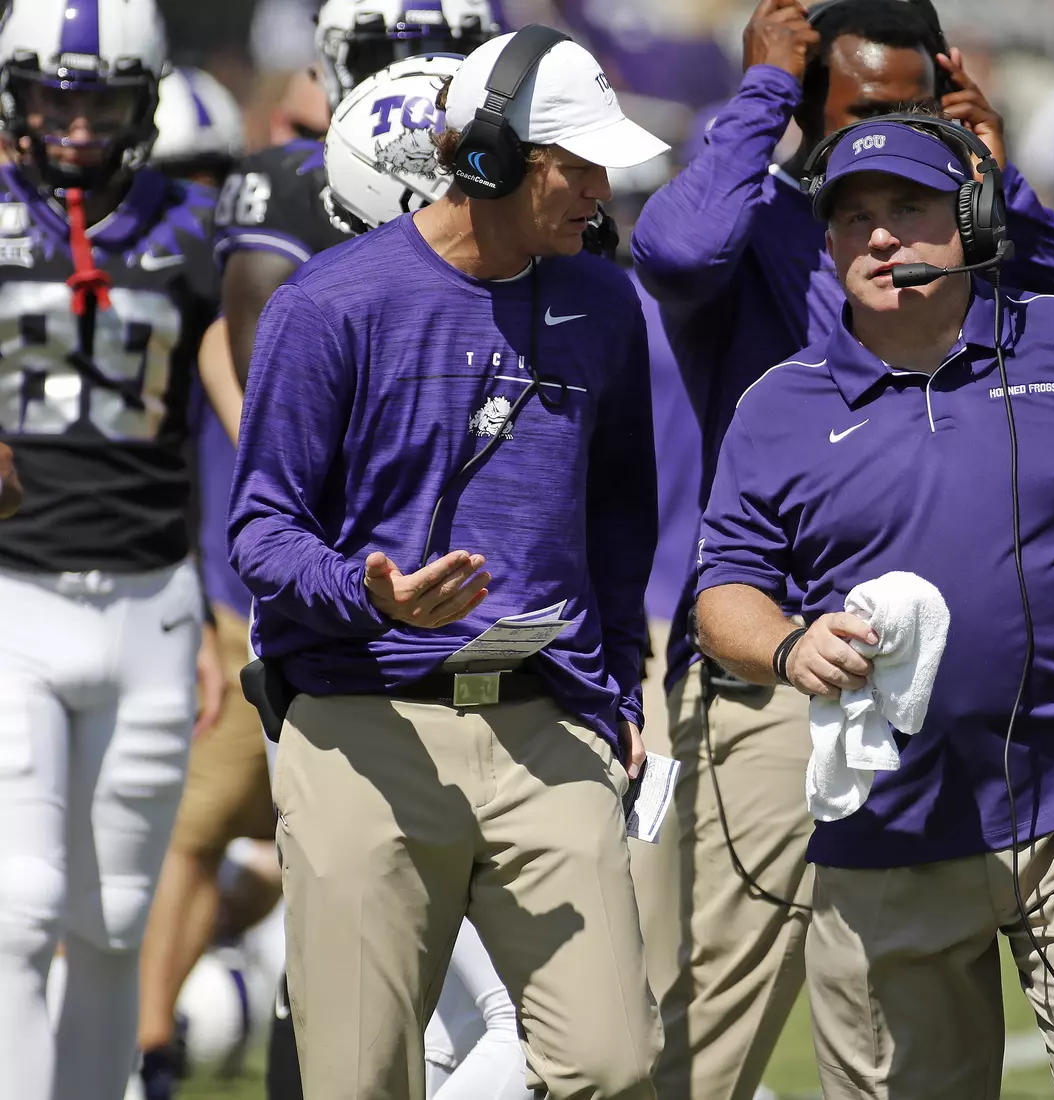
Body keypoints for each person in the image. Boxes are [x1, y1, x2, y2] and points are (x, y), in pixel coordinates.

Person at [629, 3, 1054, 1097]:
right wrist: (764, 93)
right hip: (786, 675)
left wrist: (1000, 192)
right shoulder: (777, 225)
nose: (892, 137)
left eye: (921, 111)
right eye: (864, 114)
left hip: (1009, 718)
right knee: (704, 1026)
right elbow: (674, 250)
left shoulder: (970, 237)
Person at [694, 116, 1054, 1100]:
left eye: (907, 208)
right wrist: (787, 647)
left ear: (974, 216)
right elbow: (724, 593)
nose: (878, 237)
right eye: (853, 218)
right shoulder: (777, 405)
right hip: (889, 823)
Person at [228, 27, 668, 1100]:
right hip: (361, 717)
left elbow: (618, 515)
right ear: (491, 158)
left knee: (614, 1060)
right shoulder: (330, 305)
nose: (602, 190)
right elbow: (263, 530)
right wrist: (367, 591)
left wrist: (619, 690)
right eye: (580, 164)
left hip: (545, 715)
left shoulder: (603, 303)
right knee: (360, 1080)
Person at [0, 1, 225, 1096]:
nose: (78, 126)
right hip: (14, 594)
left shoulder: (191, 227)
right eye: (56, 98)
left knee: (112, 916)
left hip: (152, 598)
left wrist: (219, 606)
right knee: (18, 901)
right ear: (18, 97)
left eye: (102, 101)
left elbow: (236, 416)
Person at [320, 50, 535, 1100]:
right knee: (540, 1025)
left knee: (444, 1033)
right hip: (395, 713)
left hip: (468, 703)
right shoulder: (356, 332)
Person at [135, 65, 267, 1100]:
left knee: (240, 854)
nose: (199, 196)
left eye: (216, 173)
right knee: (188, 836)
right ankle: (148, 1049)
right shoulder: (175, 302)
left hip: (269, 598)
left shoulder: (259, 270)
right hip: (223, 601)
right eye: (181, 175)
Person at [216, 0, 500, 387]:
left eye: (450, 54)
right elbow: (272, 393)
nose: (417, 81)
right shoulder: (290, 181)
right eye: (384, 57)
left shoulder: (516, 180)